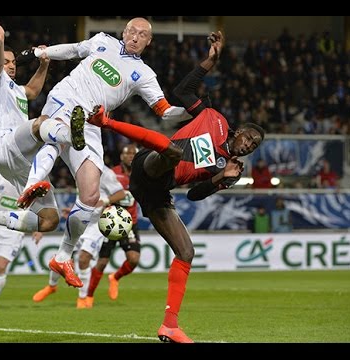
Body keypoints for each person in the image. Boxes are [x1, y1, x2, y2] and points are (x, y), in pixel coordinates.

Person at [87, 31, 265, 343]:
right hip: (149, 163)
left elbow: (195, 195)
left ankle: (169, 324)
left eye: (254, 145)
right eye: (248, 138)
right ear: (238, 132)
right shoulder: (214, 118)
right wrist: (209, 63)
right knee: (172, 151)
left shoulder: (232, 171)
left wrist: (218, 180)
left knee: (186, 251)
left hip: (158, 190)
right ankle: (106, 123)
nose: (249, 145)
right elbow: (182, 91)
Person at [13, 17, 192, 288]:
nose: (135, 36)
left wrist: (192, 110)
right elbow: (73, 50)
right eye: (132, 30)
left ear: (148, 41)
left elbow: (165, 111)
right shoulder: (102, 42)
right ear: (124, 31)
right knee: (58, 137)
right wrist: (40, 52)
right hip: (67, 98)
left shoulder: (144, 74)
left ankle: (62, 256)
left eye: (141, 34)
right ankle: (32, 183)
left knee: (90, 195)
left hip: (92, 122)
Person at [0, 20, 83, 288]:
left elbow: (31, 91)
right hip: (4, 144)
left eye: (13, 62)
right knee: (42, 123)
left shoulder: (16, 90)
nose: (11, 65)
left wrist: (43, 64)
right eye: (6, 62)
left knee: (49, 221)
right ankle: (71, 136)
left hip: (19, 161)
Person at [32, 165, 126, 308]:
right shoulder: (81, 169)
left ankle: (83, 298)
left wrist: (105, 201)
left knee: (83, 259)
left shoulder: (105, 173)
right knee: (61, 257)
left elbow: (121, 194)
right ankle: (52, 286)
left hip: (96, 225)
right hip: (80, 219)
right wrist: (72, 210)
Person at [0, 172, 43, 312]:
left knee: (1, 266)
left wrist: (38, 229)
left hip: (14, 230)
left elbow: (39, 206)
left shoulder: (31, 180)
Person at [87, 144, 141, 304]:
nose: (130, 156)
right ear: (121, 157)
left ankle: (115, 277)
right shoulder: (111, 174)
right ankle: (88, 295)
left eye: (133, 153)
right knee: (102, 262)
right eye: (127, 153)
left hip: (129, 223)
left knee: (134, 259)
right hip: (109, 222)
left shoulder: (141, 175)